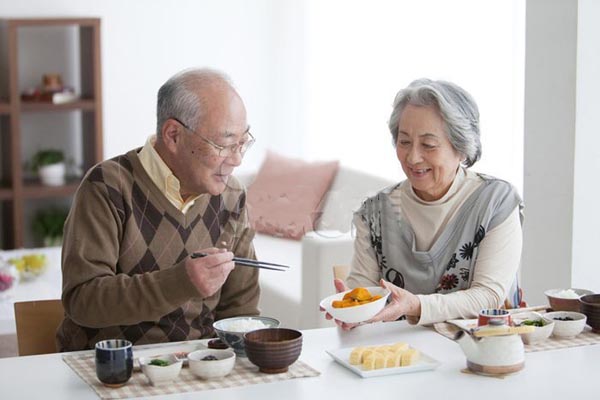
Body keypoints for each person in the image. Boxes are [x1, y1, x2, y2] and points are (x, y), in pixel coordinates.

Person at [56, 68, 260, 351]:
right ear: (173, 135)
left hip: (198, 370)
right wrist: (180, 281)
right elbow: (83, 300)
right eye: (224, 145)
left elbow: (240, 313)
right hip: (110, 370)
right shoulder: (108, 187)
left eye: (242, 142)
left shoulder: (232, 196)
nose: (236, 159)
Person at [330, 78, 523, 329]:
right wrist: (352, 311)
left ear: (462, 148)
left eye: (429, 145)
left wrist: (417, 306)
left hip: (480, 352)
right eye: (404, 142)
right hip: (402, 356)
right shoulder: (374, 213)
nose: (413, 157)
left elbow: (489, 296)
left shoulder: (496, 202)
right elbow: (363, 291)